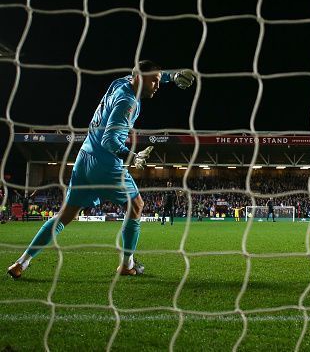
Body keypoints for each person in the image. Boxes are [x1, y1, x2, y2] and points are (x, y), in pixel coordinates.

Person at [7, 60, 194, 279]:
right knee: (136, 205)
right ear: (140, 79)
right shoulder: (128, 103)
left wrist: (171, 76)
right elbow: (110, 140)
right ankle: (127, 264)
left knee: (65, 216)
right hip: (105, 163)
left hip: (84, 157)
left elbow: (151, 75)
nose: (157, 86)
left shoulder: (120, 83)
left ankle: (21, 262)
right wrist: (132, 157)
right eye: (154, 81)